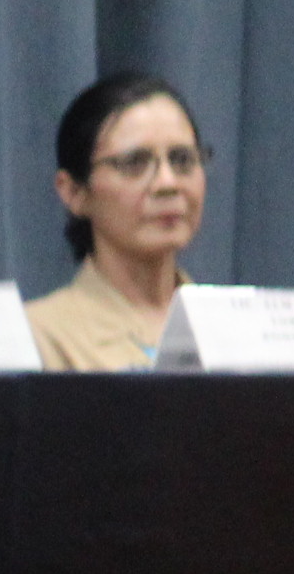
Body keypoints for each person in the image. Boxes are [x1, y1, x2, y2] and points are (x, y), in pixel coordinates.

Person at [27, 74, 209, 371]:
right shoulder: (36, 338)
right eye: (134, 163)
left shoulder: (236, 331)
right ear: (74, 191)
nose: (167, 183)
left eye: (182, 160)